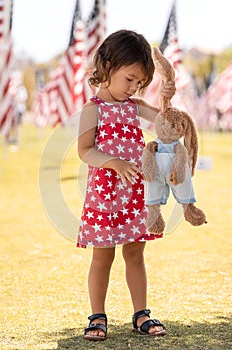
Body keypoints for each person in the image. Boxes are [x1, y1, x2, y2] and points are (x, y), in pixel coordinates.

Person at [77, 29, 176, 341]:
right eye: (129, 79)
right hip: (105, 197)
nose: (133, 88)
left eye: (139, 83)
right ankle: (97, 316)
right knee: (102, 256)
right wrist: (114, 162)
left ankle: (141, 314)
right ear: (107, 67)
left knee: (135, 254)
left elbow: (165, 120)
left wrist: (166, 102)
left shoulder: (135, 106)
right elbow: (84, 151)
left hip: (135, 195)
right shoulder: (92, 109)